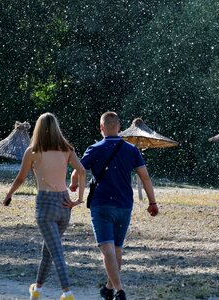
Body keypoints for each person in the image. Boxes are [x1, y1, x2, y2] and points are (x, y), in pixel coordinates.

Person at [70, 111, 158, 300]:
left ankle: (119, 291)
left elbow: (78, 172)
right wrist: (152, 202)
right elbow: (145, 177)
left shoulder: (94, 149)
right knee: (117, 250)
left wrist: (74, 184)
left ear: (101, 128)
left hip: (101, 205)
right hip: (124, 206)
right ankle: (109, 290)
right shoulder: (131, 150)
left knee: (108, 250)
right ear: (119, 127)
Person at [4, 112, 86, 300]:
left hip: (45, 205)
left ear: (38, 129)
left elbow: (21, 178)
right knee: (49, 250)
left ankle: (67, 293)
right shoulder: (66, 148)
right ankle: (37, 289)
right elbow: (81, 171)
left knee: (56, 252)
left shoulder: (33, 150)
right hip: (65, 204)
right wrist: (79, 199)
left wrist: (9, 195)